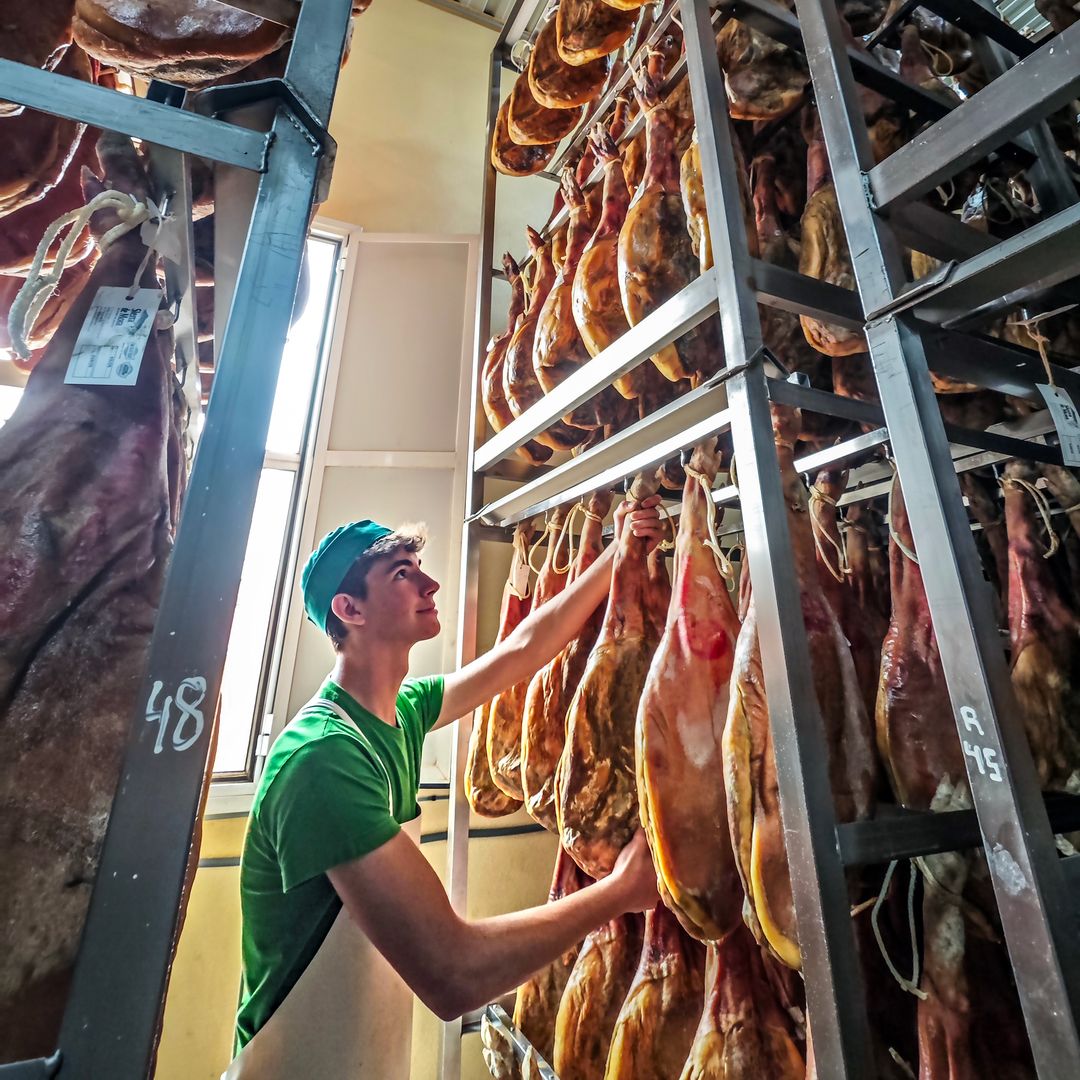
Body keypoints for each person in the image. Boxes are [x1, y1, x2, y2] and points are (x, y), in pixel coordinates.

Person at [226, 496, 665, 1078]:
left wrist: (615, 555)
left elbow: (522, 650)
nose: (430, 583)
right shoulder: (323, 759)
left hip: (362, 1057)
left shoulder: (401, 711)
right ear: (349, 609)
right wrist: (619, 892)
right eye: (403, 573)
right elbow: (453, 973)